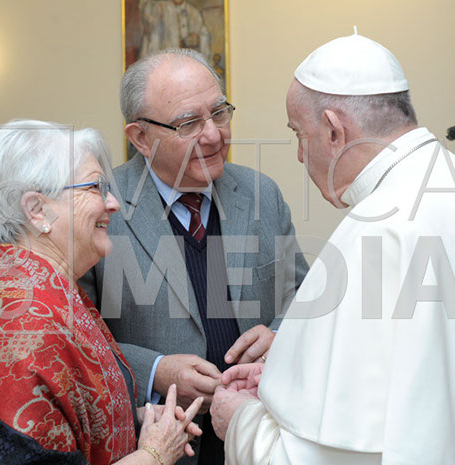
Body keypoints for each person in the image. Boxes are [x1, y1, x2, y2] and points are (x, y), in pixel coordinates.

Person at [210, 32, 455, 464]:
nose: (301, 156)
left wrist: (241, 420)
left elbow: (329, 456)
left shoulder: (379, 230)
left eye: (299, 134)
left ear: (334, 130)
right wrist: (283, 369)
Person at [79, 48, 308, 464]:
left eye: (219, 113)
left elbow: (302, 296)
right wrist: (154, 371)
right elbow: (75, 339)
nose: (214, 135)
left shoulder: (262, 194)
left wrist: (279, 335)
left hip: (258, 434)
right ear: (140, 138)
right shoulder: (99, 209)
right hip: (158, 443)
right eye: (189, 124)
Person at [0, 120, 204, 465]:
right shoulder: (24, 326)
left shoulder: (31, 284)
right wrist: (156, 453)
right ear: (37, 210)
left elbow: (63, 418)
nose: (113, 203)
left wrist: (136, 419)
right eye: (95, 188)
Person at [139, 0, 212, 61]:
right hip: (162, 62)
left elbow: (204, 36)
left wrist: (198, 39)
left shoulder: (194, 12)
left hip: (185, 64)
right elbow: (148, 24)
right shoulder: (157, 7)